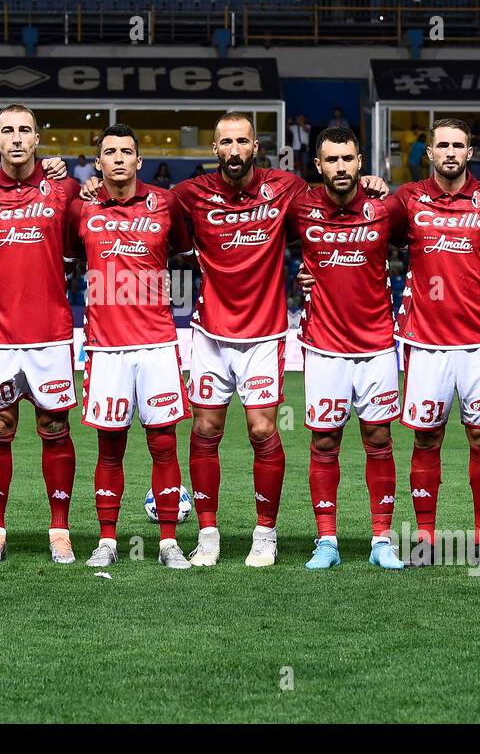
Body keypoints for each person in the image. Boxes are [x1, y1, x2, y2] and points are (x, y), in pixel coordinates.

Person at [164, 112, 385, 567]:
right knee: (205, 430)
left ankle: (265, 534)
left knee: (263, 429)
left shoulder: (287, 189)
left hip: (265, 333)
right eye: (225, 141)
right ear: (215, 150)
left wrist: (373, 185)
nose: (234, 149)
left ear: (255, 146)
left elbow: (335, 194)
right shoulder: (189, 194)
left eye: (242, 140)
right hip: (208, 334)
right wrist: (82, 185)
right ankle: (208, 534)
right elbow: (140, 204)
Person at [66, 124, 194, 569]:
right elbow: (63, 257)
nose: (118, 158)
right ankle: (106, 540)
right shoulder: (79, 208)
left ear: (139, 161)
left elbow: (186, 249)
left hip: (157, 343)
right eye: (109, 152)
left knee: (164, 443)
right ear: (97, 162)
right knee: (109, 447)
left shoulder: (166, 203)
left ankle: (168, 542)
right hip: (104, 347)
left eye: (126, 152)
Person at [386, 118, 480, 567]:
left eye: (459, 145)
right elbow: (368, 236)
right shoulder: (406, 198)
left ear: (470, 153)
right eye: (443, 146)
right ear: (430, 153)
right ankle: (424, 539)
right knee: (426, 438)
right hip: (425, 341)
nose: (451, 152)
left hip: (479, 341)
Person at [0, 104, 80, 564]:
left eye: (24, 130)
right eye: (7, 130)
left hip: (50, 333)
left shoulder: (66, 190)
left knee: (55, 427)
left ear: (37, 139)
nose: (16, 138)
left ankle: (60, 530)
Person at [286, 127, 405, 571]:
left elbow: (432, 246)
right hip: (323, 346)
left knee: (379, 438)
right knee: (324, 442)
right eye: (332, 160)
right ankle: (327, 541)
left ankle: (382, 541)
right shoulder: (300, 208)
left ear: (361, 163)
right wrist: (297, 279)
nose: (341, 167)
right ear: (318, 166)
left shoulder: (385, 208)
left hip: (376, 345)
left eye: (348, 159)